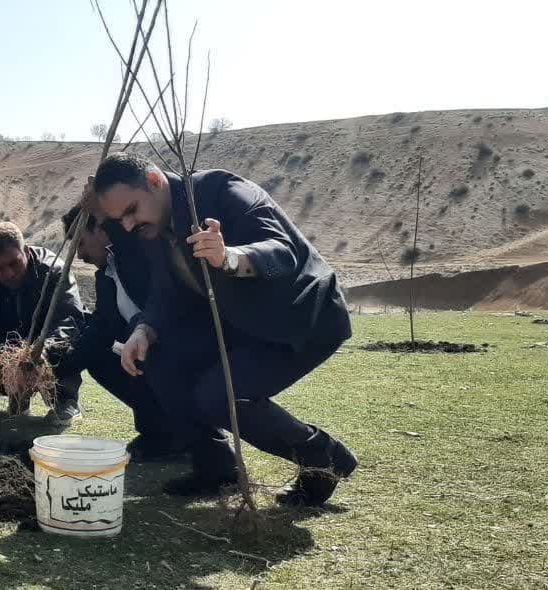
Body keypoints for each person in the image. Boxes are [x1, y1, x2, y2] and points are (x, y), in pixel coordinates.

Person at [90, 152, 357, 506]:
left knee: (218, 395)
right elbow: (166, 290)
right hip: (240, 325)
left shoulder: (222, 191)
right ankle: (216, 468)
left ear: (154, 182)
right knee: (159, 359)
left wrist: (228, 257)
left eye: (131, 211)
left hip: (301, 319)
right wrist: (145, 329)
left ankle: (322, 456)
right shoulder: (154, 228)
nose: (127, 226)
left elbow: (283, 252)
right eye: (118, 219)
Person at [53, 205, 184, 461]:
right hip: (146, 353)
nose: (80, 255)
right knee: (101, 360)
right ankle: (158, 431)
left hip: (175, 349)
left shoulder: (138, 256)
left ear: (100, 230)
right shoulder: (106, 275)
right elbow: (103, 329)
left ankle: (183, 432)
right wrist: (56, 368)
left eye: (81, 243)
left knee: (140, 349)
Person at [0, 222, 86, 426]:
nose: (9, 273)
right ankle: (18, 395)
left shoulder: (55, 271)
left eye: (14, 263)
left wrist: (42, 352)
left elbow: (69, 320)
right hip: (11, 353)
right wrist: (4, 363)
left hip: (48, 349)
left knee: (78, 341)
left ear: (26, 251)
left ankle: (65, 399)